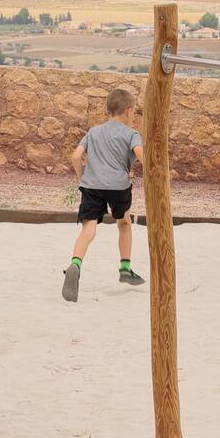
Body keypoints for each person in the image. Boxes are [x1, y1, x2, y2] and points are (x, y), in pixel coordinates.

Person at [61, 88, 146, 302]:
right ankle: (125, 268)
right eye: (133, 112)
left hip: (92, 186)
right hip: (118, 187)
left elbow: (76, 156)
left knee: (88, 229)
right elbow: (141, 155)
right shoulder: (131, 134)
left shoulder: (93, 131)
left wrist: (83, 178)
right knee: (124, 222)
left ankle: (75, 264)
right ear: (128, 111)